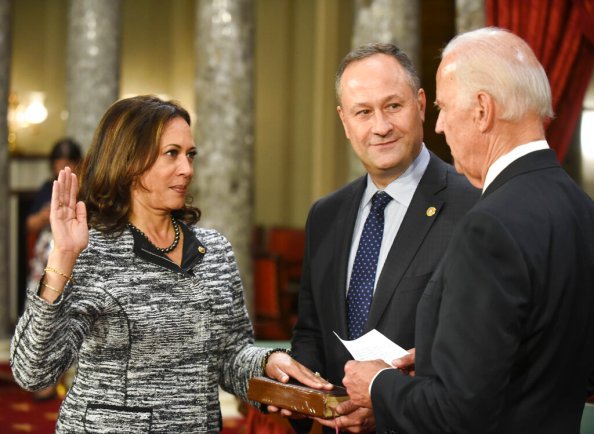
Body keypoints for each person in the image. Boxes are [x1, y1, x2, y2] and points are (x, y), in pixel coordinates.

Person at [10, 95, 331, 432]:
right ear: (130, 160)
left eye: (190, 154)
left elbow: (230, 356)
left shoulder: (215, 250)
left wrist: (268, 363)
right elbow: (33, 371)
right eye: (172, 154)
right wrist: (62, 256)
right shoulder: (90, 249)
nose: (187, 169)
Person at [341, 27, 594, 434]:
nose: (439, 126)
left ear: (482, 110)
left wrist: (376, 384)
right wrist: (447, 356)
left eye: (443, 106)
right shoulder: (580, 207)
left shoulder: (487, 225)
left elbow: (458, 414)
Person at [289, 43, 479, 433]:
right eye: (363, 112)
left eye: (393, 106)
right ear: (344, 121)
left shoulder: (475, 209)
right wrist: (298, 394)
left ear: (422, 104)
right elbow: (310, 330)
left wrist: (388, 402)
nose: (380, 126)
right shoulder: (324, 215)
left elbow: (480, 353)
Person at [24, 138, 83, 401]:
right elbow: (31, 224)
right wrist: (48, 216)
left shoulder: (86, 189)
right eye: (60, 163)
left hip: (77, 255)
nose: (64, 167)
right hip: (47, 257)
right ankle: (44, 375)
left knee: (75, 312)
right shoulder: (47, 188)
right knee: (44, 310)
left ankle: (71, 376)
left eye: (69, 163)